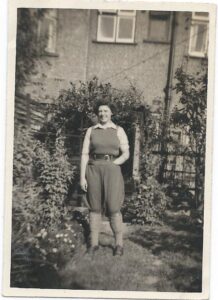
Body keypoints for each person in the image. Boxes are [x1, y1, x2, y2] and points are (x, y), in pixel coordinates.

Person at [80, 99, 130, 256]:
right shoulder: (91, 130)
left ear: (111, 113)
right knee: (94, 207)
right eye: (100, 111)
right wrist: (82, 177)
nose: (103, 113)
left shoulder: (118, 130)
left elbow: (126, 153)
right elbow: (84, 154)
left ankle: (119, 245)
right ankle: (93, 244)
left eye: (106, 111)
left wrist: (115, 163)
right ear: (97, 113)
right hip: (93, 170)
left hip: (112, 171)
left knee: (114, 207)